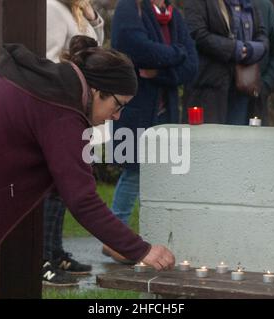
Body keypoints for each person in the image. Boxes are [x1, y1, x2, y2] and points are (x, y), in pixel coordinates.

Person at [0, 35, 175, 299]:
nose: (116, 116)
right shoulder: (62, 109)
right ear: (96, 90)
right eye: (118, 105)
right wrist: (142, 250)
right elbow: (83, 200)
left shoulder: (40, 81)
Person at [106, 0, 198, 263]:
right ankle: (113, 238)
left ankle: (153, 237)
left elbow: (190, 66)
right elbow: (136, 50)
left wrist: (159, 72)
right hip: (135, 108)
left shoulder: (174, 16)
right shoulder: (129, 9)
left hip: (165, 111)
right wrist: (176, 53)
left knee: (160, 174)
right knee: (134, 171)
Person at [42, 0, 105, 286]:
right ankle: (43, 257)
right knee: (52, 188)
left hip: (75, 104)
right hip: (60, 104)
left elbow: (94, 52)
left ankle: (56, 252)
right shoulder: (53, 8)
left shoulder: (77, 9)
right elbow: (51, 58)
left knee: (60, 190)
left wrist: (92, 16)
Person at [183, 0, 268, 125]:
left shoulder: (249, 4)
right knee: (212, 141)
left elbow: (262, 37)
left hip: (243, 87)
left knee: (239, 141)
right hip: (209, 89)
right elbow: (198, 34)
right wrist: (235, 49)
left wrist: (250, 50)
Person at [248, 0, 274, 124]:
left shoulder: (264, 7)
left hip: (256, 100)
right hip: (219, 97)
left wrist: (265, 85)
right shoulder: (215, 5)